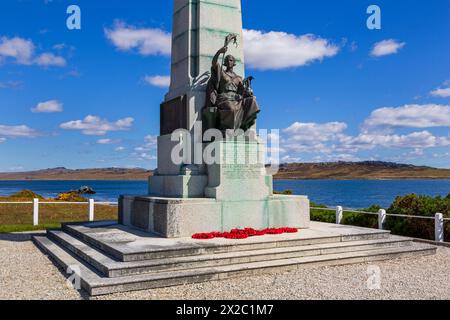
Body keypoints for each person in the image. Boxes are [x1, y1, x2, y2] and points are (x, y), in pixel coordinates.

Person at [204, 41, 260, 133]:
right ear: (225, 63)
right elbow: (214, 63)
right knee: (231, 109)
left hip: (236, 99)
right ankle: (228, 128)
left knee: (252, 101)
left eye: (230, 60)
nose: (228, 61)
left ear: (233, 63)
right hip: (224, 98)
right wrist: (219, 52)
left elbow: (243, 92)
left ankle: (244, 126)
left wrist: (248, 91)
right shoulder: (222, 73)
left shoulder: (239, 78)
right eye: (226, 60)